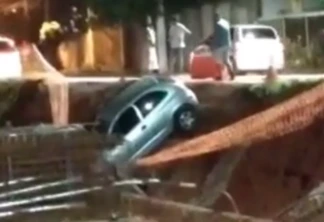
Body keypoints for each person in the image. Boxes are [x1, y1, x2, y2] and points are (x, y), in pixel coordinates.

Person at [208, 12, 235, 80]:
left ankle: (219, 76)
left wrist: (212, 45)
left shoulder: (218, 24)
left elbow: (217, 36)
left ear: (216, 17)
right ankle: (232, 73)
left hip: (220, 45)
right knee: (226, 60)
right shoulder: (225, 22)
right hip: (227, 44)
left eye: (214, 17)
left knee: (217, 61)